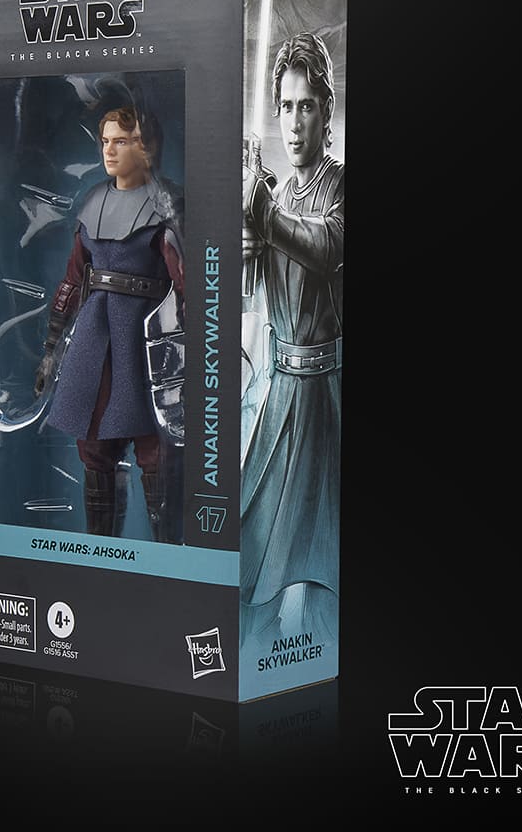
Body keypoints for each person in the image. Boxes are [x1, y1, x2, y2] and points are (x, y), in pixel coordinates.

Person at [34, 107, 184, 541]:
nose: (109, 151)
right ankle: (99, 550)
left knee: (156, 451)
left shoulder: (165, 208)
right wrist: (50, 351)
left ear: (145, 147)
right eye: (105, 141)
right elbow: (72, 280)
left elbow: (187, 286)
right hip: (95, 343)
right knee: (95, 448)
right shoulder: (93, 203)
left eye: (121, 141)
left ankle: (170, 554)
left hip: (145, 345)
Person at [241, 32, 344, 647]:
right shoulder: (275, 192)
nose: (295, 120)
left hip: (326, 401)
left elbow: (327, 245)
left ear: (327, 112)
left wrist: (265, 217)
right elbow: (249, 291)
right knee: (250, 557)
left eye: (307, 105)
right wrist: (243, 235)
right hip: (280, 393)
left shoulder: (339, 185)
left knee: (327, 573)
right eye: (286, 105)